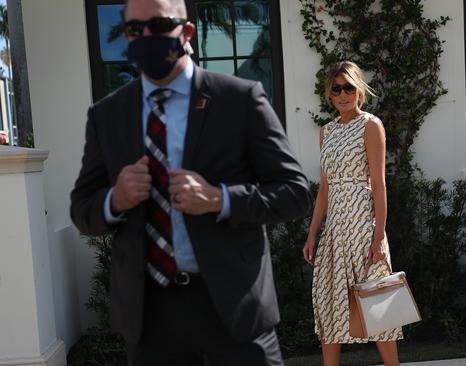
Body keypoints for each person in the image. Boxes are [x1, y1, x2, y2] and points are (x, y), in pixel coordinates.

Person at [69, 0, 311, 364]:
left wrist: (220, 199)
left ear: (187, 32)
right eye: (135, 30)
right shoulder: (107, 115)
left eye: (159, 26)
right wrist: (114, 200)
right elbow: (82, 208)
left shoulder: (240, 99)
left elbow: (294, 192)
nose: (145, 37)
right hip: (150, 319)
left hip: (235, 311)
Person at [302, 61, 402, 366]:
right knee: (328, 303)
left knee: (377, 306)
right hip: (335, 232)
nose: (343, 93)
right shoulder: (326, 131)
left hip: (362, 227)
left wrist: (379, 234)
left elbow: (379, 183)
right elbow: (324, 188)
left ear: (359, 89)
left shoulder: (371, 125)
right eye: (337, 88)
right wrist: (312, 233)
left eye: (348, 86)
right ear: (329, 95)